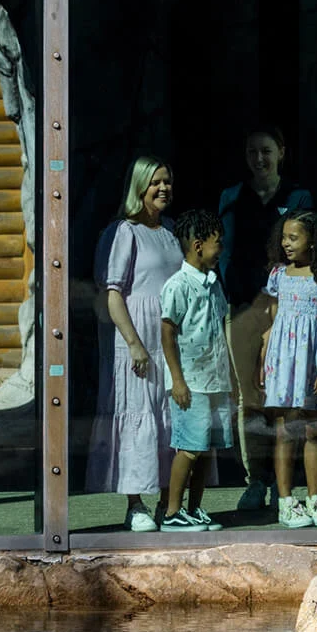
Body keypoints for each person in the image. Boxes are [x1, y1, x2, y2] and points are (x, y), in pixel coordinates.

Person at [217, 127, 314, 512]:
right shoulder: (230, 198)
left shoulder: (298, 197)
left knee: (286, 397)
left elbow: (304, 252)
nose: (260, 158)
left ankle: (286, 483)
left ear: (282, 153)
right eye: (253, 151)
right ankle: (256, 480)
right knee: (249, 399)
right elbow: (222, 254)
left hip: (287, 311)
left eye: (267, 151)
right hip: (242, 308)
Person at [87, 156, 180, 532]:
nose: (163, 189)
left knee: (169, 417)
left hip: (170, 337)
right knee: (137, 412)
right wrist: (135, 343)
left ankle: (166, 502)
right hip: (137, 336)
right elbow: (112, 294)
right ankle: (135, 503)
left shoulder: (172, 230)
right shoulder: (124, 232)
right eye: (156, 182)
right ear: (139, 187)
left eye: (168, 182)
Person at [259, 211, 317, 529]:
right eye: (284, 237)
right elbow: (274, 319)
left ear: (314, 241)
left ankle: (314, 498)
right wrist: (265, 356)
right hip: (284, 364)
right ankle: (285, 501)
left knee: (314, 430)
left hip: (315, 364)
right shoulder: (279, 274)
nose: (286, 243)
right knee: (286, 431)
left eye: (293, 237)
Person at [157, 209, 233, 532]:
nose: (222, 250)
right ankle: (173, 512)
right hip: (191, 383)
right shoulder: (178, 285)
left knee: (206, 451)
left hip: (215, 380)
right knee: (188, 448)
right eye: (218, 244)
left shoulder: (214, 284)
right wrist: (177, 380)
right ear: (199, 245)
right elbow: (167, 332)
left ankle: (194, 508)